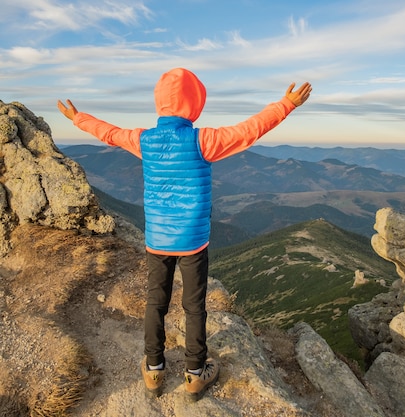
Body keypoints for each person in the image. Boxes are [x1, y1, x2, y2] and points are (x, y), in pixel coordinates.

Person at [57, 68, 312, 400]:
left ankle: (153, 370)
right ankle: (195, 373)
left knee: (155, 302)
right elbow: (250, 129)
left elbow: (110, 133)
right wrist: (286, 104)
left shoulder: (144, 140)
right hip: (192, 240)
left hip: (158, 239)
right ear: (195, 103)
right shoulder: (202, 140)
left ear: (159, 103)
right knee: (194, 307)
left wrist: (79, 118)